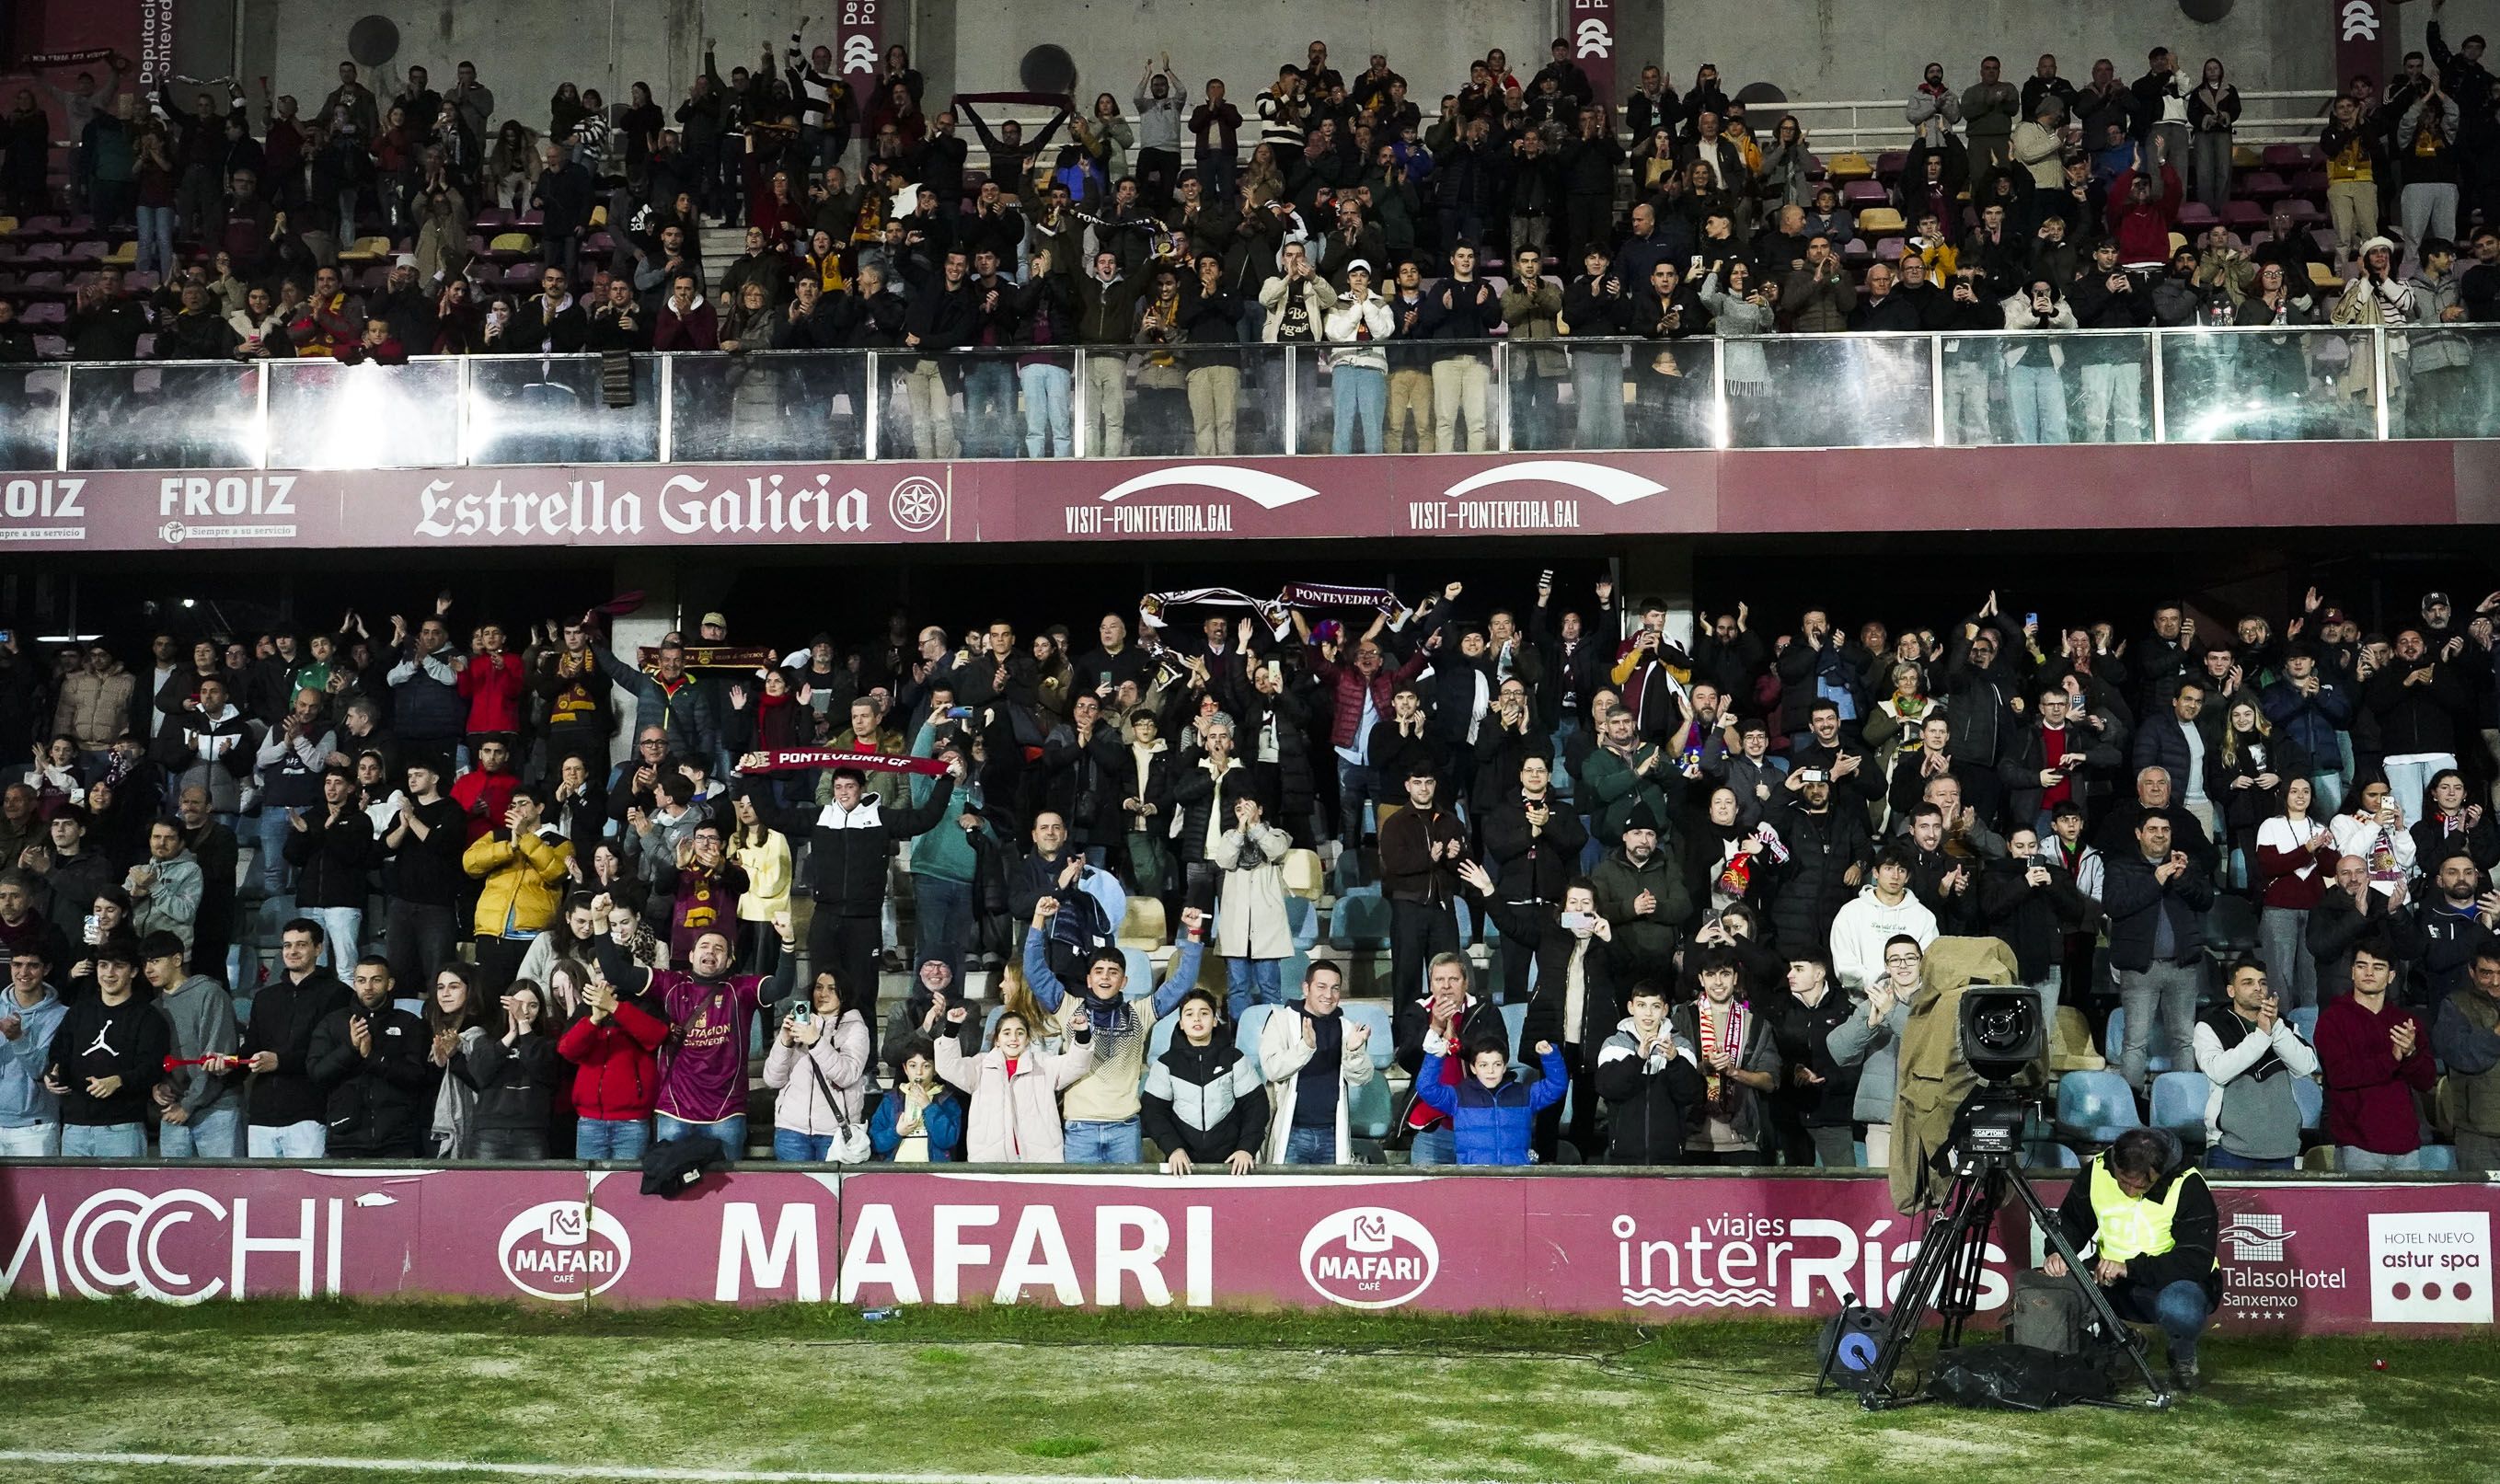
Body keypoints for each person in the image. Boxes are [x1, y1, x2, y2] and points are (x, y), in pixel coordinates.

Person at [1022, 900, 1207, 1163]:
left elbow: (1181, 984)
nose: (1105, 977)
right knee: (1079, 1204)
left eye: (1113, 972)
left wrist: (1194, 933)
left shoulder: (1140, 1013)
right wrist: (1039, 919)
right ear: (1089, 980)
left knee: (1127, 1202)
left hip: (1125, 1128)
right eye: (1098, 971)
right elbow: (1035, 972)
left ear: (1124, 981)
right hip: (1079, 1128)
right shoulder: (1068, 1007)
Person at [2047, 1126, 2219, 1392]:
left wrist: (2130, 1268)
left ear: (2160, 1173)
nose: (2130, 1190)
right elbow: (2072, 1220)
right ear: (2114, 1164)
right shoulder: (2097, 1170)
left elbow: (2194, 1260)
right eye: (2123, 1181)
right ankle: (2117, 1344)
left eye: (2141, 1185)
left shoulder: (2189, 1184)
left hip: (2173, 1281)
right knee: (2059, 1289)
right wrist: (2058, 1250)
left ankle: (2182, 1354)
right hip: (2108, 1274)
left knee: (2180, 1308)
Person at [2104, 812, 2216, 1091]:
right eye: (2152, 829)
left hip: (2182, 967)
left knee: (2184, 1040)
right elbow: (2116, 906)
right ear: (2138, 834)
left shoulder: (2186, 865)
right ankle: (2131, 1107)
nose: (2160, 834)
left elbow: (2205, 901)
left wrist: (2182, 878)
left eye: (2165, 829)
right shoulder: (2121, 867)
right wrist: (2155, 880)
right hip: (2141, 969)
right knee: (2135, 1041)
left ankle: (2185, 1104)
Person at [2315, 938, 2436, 1170]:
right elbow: (2340, 1075)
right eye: (2362, 966)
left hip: (2406, 1146)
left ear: (2391, 976)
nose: (2369, 973)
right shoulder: (2333, 1019)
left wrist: (2411, 1054)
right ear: (2352, 972)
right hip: (2357, 1146)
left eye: (2378, 967)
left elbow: (2427, 1080)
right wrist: (2392, 1058)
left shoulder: (2405, 1022)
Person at [2191, 958, 2321, 1170]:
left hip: (2281, 1147)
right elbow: (2218, 1071)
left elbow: (2306, 1066)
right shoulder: (2210, 1026)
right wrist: (2261, 1035)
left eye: (2262, 982)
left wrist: (2275, 1027)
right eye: (2248, 983)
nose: (2258, 988)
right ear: (2231, 990)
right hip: (2230, 1148)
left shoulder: (2284, 1025)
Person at [40, 942, 167, 1157]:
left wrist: (119, 1081)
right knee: (73, 1192)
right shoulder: (78, 1011)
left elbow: (153, 1067)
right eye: (103, 965)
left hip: (122, 1127)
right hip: (75, 1127)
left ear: (134, 972)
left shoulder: (148, 1017)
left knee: (123, 1191)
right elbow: (58, 1053)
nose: (109, 973)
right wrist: (52, 1073)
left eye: (118, 966)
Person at [238, 919, 351, 1157]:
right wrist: (227, 1064)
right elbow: (251, 1050)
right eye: (287, 945)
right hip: (261, 1116)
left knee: (307, 1191)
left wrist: (280, 1061)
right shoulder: (265, 998)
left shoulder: (338, 994)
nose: (292, 951)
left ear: (318, 949)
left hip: (309, 1114)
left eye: (301, 945)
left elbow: (331, 1055)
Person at [306, 953, 431, 1158]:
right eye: (361, 980)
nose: (368, 987)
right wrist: (351, 1049)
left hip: (398, 1141)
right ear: (354, 983)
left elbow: (416, 1075)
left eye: (376, 980)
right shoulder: (333, 1022)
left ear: (390, 984)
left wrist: (372, 1057)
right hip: (345, 1141)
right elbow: (317, 1073)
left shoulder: (409, 1023)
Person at [1669, 945, 1783, 1164]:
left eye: (1725, 974)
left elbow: (1770, 1081)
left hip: (1743, 1140)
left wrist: (1733, 1071)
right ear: (1701, 980)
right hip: (1691, 1138)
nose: (1718, 982)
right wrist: (1705, 1067)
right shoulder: (1682, 1019)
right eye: (1711, 975)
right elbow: (1670, 1074)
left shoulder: (1757, 1023)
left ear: (1735, 978)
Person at [936, 1005, 1094, 1161]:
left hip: (1039, 1160)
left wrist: (1082, 1034)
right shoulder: (980, 1066)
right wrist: (952, 1028)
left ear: (1027, 1040)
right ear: (997, 1040)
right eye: (1007, 1033)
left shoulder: (1043, 1064)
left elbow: (1076, 1065)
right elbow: (948, 1067)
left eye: (1020, 1033)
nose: (1013, 1038)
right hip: (991, 1161)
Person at [1257, 961, 1375, 1165]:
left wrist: (1353, 1050)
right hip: (1292, 1132)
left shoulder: (1347, 1028)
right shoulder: (1281, 1020)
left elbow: (1362, 1078)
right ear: (1306, 988)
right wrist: (1305, 1047)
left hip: (1332, 1133)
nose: (1328, 995)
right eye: (1321, 987)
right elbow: (1273, 1070)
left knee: (1332, 1197)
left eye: (1335, 988)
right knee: (1287, 1196)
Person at [1141, 987, 1269, 1174]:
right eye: (1189, 1014)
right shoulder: (1166, 1064)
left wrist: (1246, 1149)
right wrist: (1173, 1149)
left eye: (1204, 1013)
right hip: (1182, 1166)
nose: (1197, 1019)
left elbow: (1256, 1107)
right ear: (1181, 1023)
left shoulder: (1234, 1059)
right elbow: (1153, 1113)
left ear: (1215, 1020)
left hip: (1232, 1165)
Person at [462, 784, 574, 991]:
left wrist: (526, 839)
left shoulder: (560, 842)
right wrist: (510, 846)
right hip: (493, 932)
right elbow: (470, 863)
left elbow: (557, 873)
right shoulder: (498, 836)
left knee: (528, 996)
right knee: (489, 999)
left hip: (533, 936)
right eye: (513, 805)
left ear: (540, 808)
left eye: (524, 804)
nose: (517, 809)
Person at [555, 957, 666, 1160]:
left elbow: (657, 1036)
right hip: (589, 1120)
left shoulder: (644, 1004)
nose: (604, 977)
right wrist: (594, 1019)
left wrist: (616, 1008)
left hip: (632, 1122)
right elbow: (567, 1050)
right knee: (589, 1187)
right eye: (598, 971)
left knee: (625, 1189)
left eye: (609, 970)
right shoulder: (585, 1009)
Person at [144, 931, 241, 1159]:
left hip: (217, 1111)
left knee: (223, 1189)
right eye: (146, 962)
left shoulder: (209, 993)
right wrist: (157, 1088)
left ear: (177, 960)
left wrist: (188, 1105)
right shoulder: (154, 1006)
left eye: (156, 961)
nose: (149, 969)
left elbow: (217, 1059)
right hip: (173, 1112)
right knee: (174, 1191)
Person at [761, 966, 872, 1162]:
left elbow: (847, 1075)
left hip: (834, 1131)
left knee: (830, 1192)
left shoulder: (856, 1028)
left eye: (831, 988)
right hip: (791, 1130)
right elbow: (772, 1079)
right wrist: (785, 1042)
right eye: (819, 987)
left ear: (843, 994)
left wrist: (815, 1041)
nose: (823, 994)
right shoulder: (800, 1023)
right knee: (794, 1192)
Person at [1594, 981, 1708, 1163]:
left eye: (1655, 1006)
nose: (1648, 1013)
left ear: (1665, 1010)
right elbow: (1608, 1089)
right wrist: (1638, 1059)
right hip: (1624, 1156)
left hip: (1669, 1156)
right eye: (1641, 1005)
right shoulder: (1613, 1044)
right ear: (1631, 1007)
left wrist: (1674, 1060)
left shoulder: (1681, 1046)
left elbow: (1689, 1094)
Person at [1412, 1033, 1567, 1166]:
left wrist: (1550, 1057)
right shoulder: (1458, 1096)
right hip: (1473, 1178)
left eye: (1497, 1064)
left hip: (1516, 1177)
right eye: (1483, 1065)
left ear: (1505, 1067)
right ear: (1473, 1068)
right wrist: (1435, 1057)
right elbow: (1426, 1088)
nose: (1491, 1071)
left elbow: (1557, 1086)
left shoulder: (1524, 1094)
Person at [2254, 777, 2339, 1009]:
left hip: (2314, 908)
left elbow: (2331, 869)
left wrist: (2321, 850)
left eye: (2306, 791)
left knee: (2312, 975)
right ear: (2284, 796)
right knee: (2279, 977)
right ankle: (2279, 1028)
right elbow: (2270, 865)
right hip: (2280, 909)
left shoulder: (2321, 828)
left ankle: (2310, 1032)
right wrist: (2306, 850)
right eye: (2294, 791)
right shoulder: (2271, 825)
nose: (2301, 796)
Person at [1210, 796, 1293, 1021]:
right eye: (1239, 808)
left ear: (1261, 809)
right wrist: (1240, 827)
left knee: (1270, 987)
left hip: (1266, 924)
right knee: (1237, 988)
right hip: (1236, 926)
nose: (1243, 812)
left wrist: (1255, 825)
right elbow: (1225, 860)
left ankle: (1274, 1034)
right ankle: (1241, 1037)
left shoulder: (1277, 835)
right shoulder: (1230, 836)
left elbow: (1276, 851)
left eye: (1249, 807)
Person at [462, 978, 564, 1159]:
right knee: (483, 1187)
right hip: (489, 1129)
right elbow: (480, 1075)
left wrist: (523, 1026)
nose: (524, 1011)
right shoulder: (486, 1040)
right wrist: (509, 1037)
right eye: (518, 1004)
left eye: (533, 1005)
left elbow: (543, 1069)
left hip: (531, 1130)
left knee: (533, 1188)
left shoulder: (547, 1044)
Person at [2432, 942, 2500, 1172]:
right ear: (2472, 972)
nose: (2495, 982)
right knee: (2482, 1205)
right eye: (2487, 973)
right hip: (2477, 1134)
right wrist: (2496, 1034)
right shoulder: (2455, 1005)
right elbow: (2461, 1056)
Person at [0, 943, 67, 1155]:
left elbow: (41, 1070)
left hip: (36, 1128)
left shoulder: (63, 1016)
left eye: (32, 966)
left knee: (41, 1190)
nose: (23, 972)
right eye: (17, 964)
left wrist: (17, 1038)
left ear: (46, 969)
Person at [869, 1033, 963, 1161]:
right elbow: (875, 1143)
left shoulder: (946, 1100)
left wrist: (928, 1107)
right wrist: (896, 1132)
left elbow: (947, 1140)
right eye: (913, 1066)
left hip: (934, 1174)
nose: (919, 1072)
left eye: (926, 1066)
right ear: (905, 1068)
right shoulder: (891, 1100)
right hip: (896, 1174)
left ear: (936, 1069)